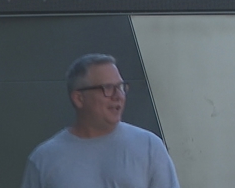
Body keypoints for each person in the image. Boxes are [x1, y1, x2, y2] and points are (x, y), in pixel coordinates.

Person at [20, 53, 180, 188]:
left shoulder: (149, 147)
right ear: (79, 98)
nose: (118, 96)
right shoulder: (44, 159)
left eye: (121, 87)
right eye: (108, 88)